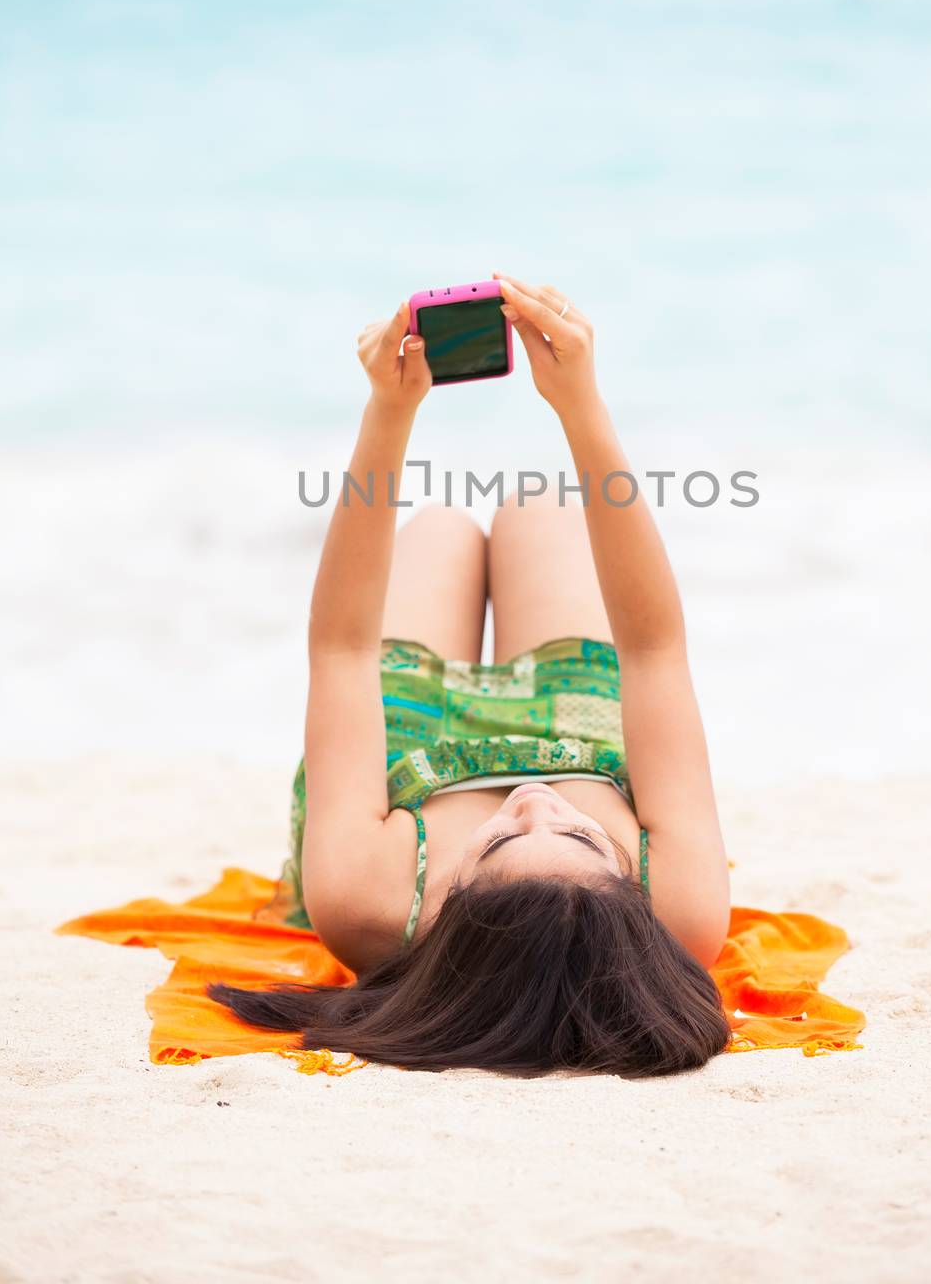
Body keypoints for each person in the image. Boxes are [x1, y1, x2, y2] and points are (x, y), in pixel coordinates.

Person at [209, 274, 731, 1076]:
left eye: (497, 847)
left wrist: (389, 410)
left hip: (403, 736)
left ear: (448, 923)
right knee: (538, 507)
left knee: (441, 526)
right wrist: (580, 405)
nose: (534, 805)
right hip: (575, 724)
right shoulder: (679, 908)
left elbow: (341, 649)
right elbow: (653, 649)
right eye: (578, 835)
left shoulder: (369, 900)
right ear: (626, 891)